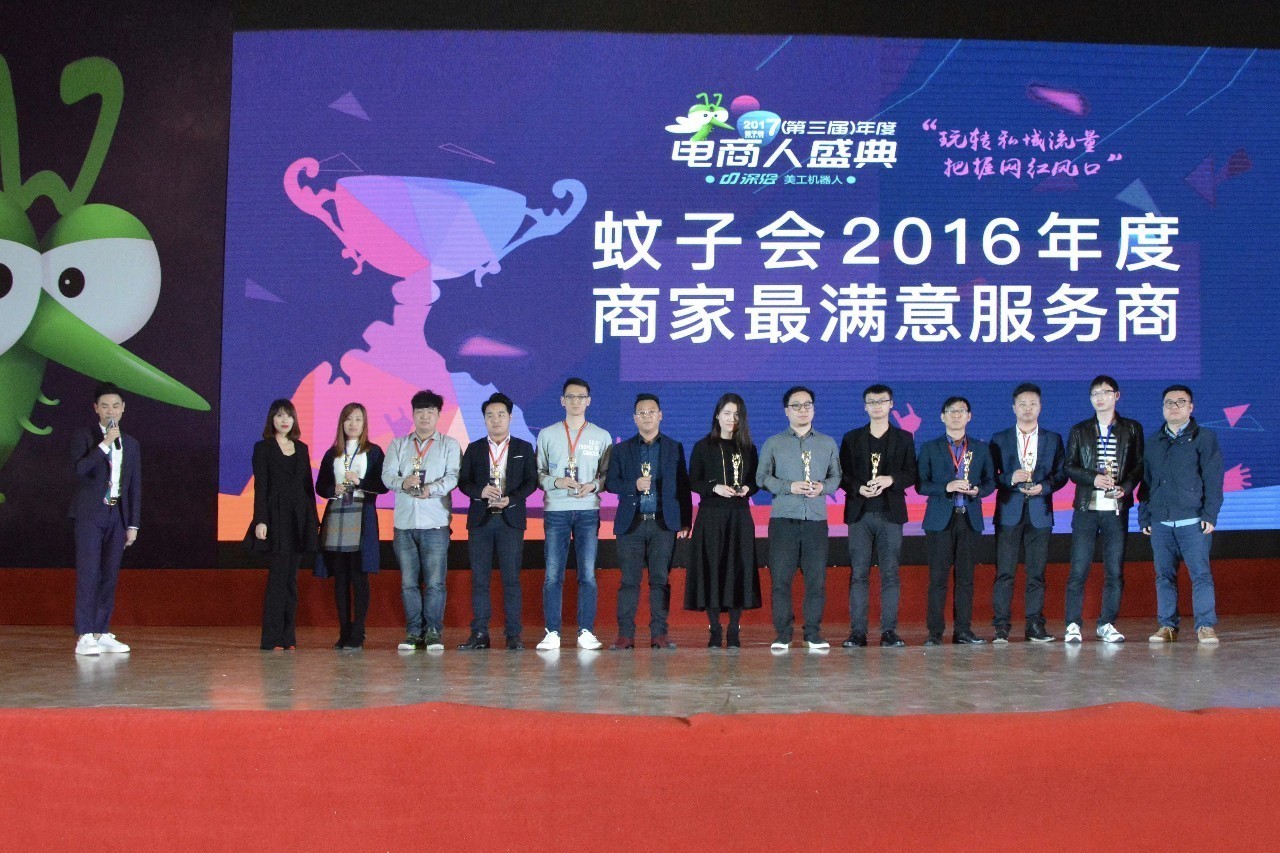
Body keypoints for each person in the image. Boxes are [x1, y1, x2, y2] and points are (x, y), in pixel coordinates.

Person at [605, 393, 692, 650]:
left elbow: (683, 486)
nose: (647, 416)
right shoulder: (621, 449)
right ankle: (625, 635)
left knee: (660, 580)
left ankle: (659, 635)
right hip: (631, 524)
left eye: (651, 412)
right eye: (641, 413)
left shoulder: (674, 447)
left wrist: (685, 521)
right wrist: (633, 484)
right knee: (629, 582)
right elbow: (611, 483)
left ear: (660, 415)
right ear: (634, 418)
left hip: (663, 524)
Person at [757, 386, 841, 652]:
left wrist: (823, 488)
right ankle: (783, 634)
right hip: (784, 520)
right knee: (781, 581)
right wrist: (789, 487)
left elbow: (836, 477)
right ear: (786, 411)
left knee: (816, 581)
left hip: (816, 520)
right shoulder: (774, 443)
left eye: (807, 405)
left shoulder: (827, 443)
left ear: (813, 409)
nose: (802, 410)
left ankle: (812, 633)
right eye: (796, 405)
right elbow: (761, 478)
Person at [1140, 385, 1223, 645]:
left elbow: (1213, 480)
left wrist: (1210, 514)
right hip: (1160, 522)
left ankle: (1205, 626)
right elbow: (1146, 482)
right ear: (1162, 408)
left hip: (1193, 521)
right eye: (1169, 402)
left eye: (1180, 402)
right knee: (1164, 576)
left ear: (1190, 407)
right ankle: (1167, 626)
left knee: (1200, 575)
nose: (1174, 407)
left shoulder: (1204, 438)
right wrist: (1145, 516)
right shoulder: (1153, 441)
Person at [1063, 375, 1144, 644]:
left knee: (1114, 570)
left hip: (1116, 509)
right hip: (1086, 508)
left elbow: (1138, 465)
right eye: (1095, 394)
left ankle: (1106, 623)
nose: (1100, 398)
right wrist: (1093, 478)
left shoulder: (1132, 429)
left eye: (1105, 392)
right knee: (1079, 568)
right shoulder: (1080, 430)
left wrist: (1127, 487)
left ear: (1116, 396)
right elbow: (1069, 466)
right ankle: (1072, 624)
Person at [456, 392, 538, 650]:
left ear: (510, 417)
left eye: (501, 414)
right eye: (490, 415)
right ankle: (480, 633)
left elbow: (531, 482)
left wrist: (512, 499)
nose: (496, 419)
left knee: (511, 579)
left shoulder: (524, 448)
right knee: (480, 579)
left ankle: (513, 635)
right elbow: (463, 482)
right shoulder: (474, 448)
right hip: (480, 520)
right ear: (484, 419)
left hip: (510, 520)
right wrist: (480, 491)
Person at [838, 383, 917, 649]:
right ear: (865, 407)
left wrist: (890, 479)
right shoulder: (851, 438)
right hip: (859, 514)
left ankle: (889, 632)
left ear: (891, 404)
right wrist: (858, 487)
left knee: (890, 574)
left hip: (890, 514)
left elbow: (911, 474)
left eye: (882, 401)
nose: (877, 406)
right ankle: (858, 632)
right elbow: (842, 475)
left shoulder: (904, 438)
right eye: (871, 402)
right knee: (859, 574)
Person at [535, 378, 612, 651]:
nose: (575, 401)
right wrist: (557, 482)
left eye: (581, 397)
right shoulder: (547, 434)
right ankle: (552, 632)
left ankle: (586, 631)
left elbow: (607, 476)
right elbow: (539, 474)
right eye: (570, 396)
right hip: (556, 510)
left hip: (588, 509)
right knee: (552, 574)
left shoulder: (602, 436)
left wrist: (594, 486)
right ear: (562, 401)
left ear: (588, 401)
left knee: (587, 574)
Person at [383, 390, 461, 652]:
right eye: (420, 412)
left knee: (436, 583)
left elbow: (453, 477)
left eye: (430, 411)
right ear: (413, 414)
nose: (425, 416)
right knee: (408, 583)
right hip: (404, 525)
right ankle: (413, 631)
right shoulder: (398, 445)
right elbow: (387, 476)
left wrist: (432, 489)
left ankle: (433, 632)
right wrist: (403, 482)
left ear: (439, 415)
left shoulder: (449, 444)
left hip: (435, 523)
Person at [988, 383, 1067, 643]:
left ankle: (1034, 625)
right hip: (1008, 511)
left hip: (1040, 512)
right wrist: (1010, 478)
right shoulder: (1000, 439)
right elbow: (990, 477)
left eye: (1033, 403)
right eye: (1022, 404)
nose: (1027, 408)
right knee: (1004, 572)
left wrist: (1044, 487)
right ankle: (1001, 627)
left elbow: (1061, 474)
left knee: (1036, 573)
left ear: (1040, 407)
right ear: (1013, 408)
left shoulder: (1053, 439)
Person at [917, 396, 996, 645]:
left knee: (966, 579)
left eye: (962, 411)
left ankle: (963, 631)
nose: (956, 415)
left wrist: (979, 491)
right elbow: (920, 484)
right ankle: (935, 633)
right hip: (939, 520)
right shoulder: (930, 447)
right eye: (951, 411)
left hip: (969, 518)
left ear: (969, 416)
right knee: (938, 579)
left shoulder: (981, 448)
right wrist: (946, 487)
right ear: (942, 416)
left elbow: (991, 482)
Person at [685, 393, 761, 648]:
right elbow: (693, 481)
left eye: (737, 415)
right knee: (713, 569)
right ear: (717, 415)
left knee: (738, 569)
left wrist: (747, 489)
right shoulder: (703, 446)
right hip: (711, 516)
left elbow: (755, 481)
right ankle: (715, 629)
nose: (732, 419)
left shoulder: (748, 448)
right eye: (727, 413)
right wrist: (714, 487)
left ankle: (734, 629)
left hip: (740, 516)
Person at [70, 383, 140, 656]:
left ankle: (100, 631)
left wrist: (132, 524)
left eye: (115, 406)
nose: (111, 411)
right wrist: (105, 444)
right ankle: (85, 634)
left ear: (123, 409)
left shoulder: (131, 444)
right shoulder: (84, 437)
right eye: (105, 406)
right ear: (96, 409)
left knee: (109, 575)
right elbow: (80, 469)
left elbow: (134, 486)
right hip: (90, 515)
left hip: (117, 515)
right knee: (89, 574)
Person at [249, 398, 320, 650]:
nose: (284, 420)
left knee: (291, 581)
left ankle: (288, 637)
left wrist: (313, 522)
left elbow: (308, 488)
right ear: (272, 419)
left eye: (288, 415)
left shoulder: (301, 448)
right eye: (279, 415)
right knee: (278, 579)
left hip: (299, 520)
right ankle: (270, 638)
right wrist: (261, 520)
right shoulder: (263, 448)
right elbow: (261, 487)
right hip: (276, 519)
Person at [314, 403, 386, 650]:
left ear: (364, 424)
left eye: (358, 419)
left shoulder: (374, 452)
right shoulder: (332, 453)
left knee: (359, 575)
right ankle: (344, 630)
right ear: (341, 423)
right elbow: (320, 487)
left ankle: (358, 631)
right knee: (341, 577)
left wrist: (360, 481)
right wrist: (332, 489)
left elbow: (382, 485)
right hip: (337, 514)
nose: (353, 424)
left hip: (362, 515)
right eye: (348, 419)